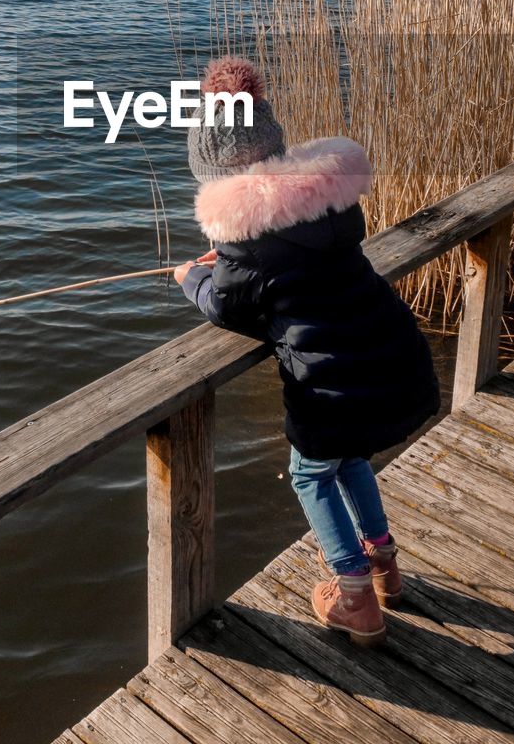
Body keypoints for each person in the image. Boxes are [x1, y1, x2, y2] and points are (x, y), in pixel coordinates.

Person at [174, 56, 440, 646]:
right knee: (349, 460)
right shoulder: (331, 202)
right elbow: (289, 260)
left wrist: (190, 277)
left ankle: (354, 598)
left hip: (333, 390)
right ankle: (384, 566)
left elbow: (230, 308)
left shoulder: (243, 243)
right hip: (395, 356)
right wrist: (233, 258)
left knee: (309, 474)